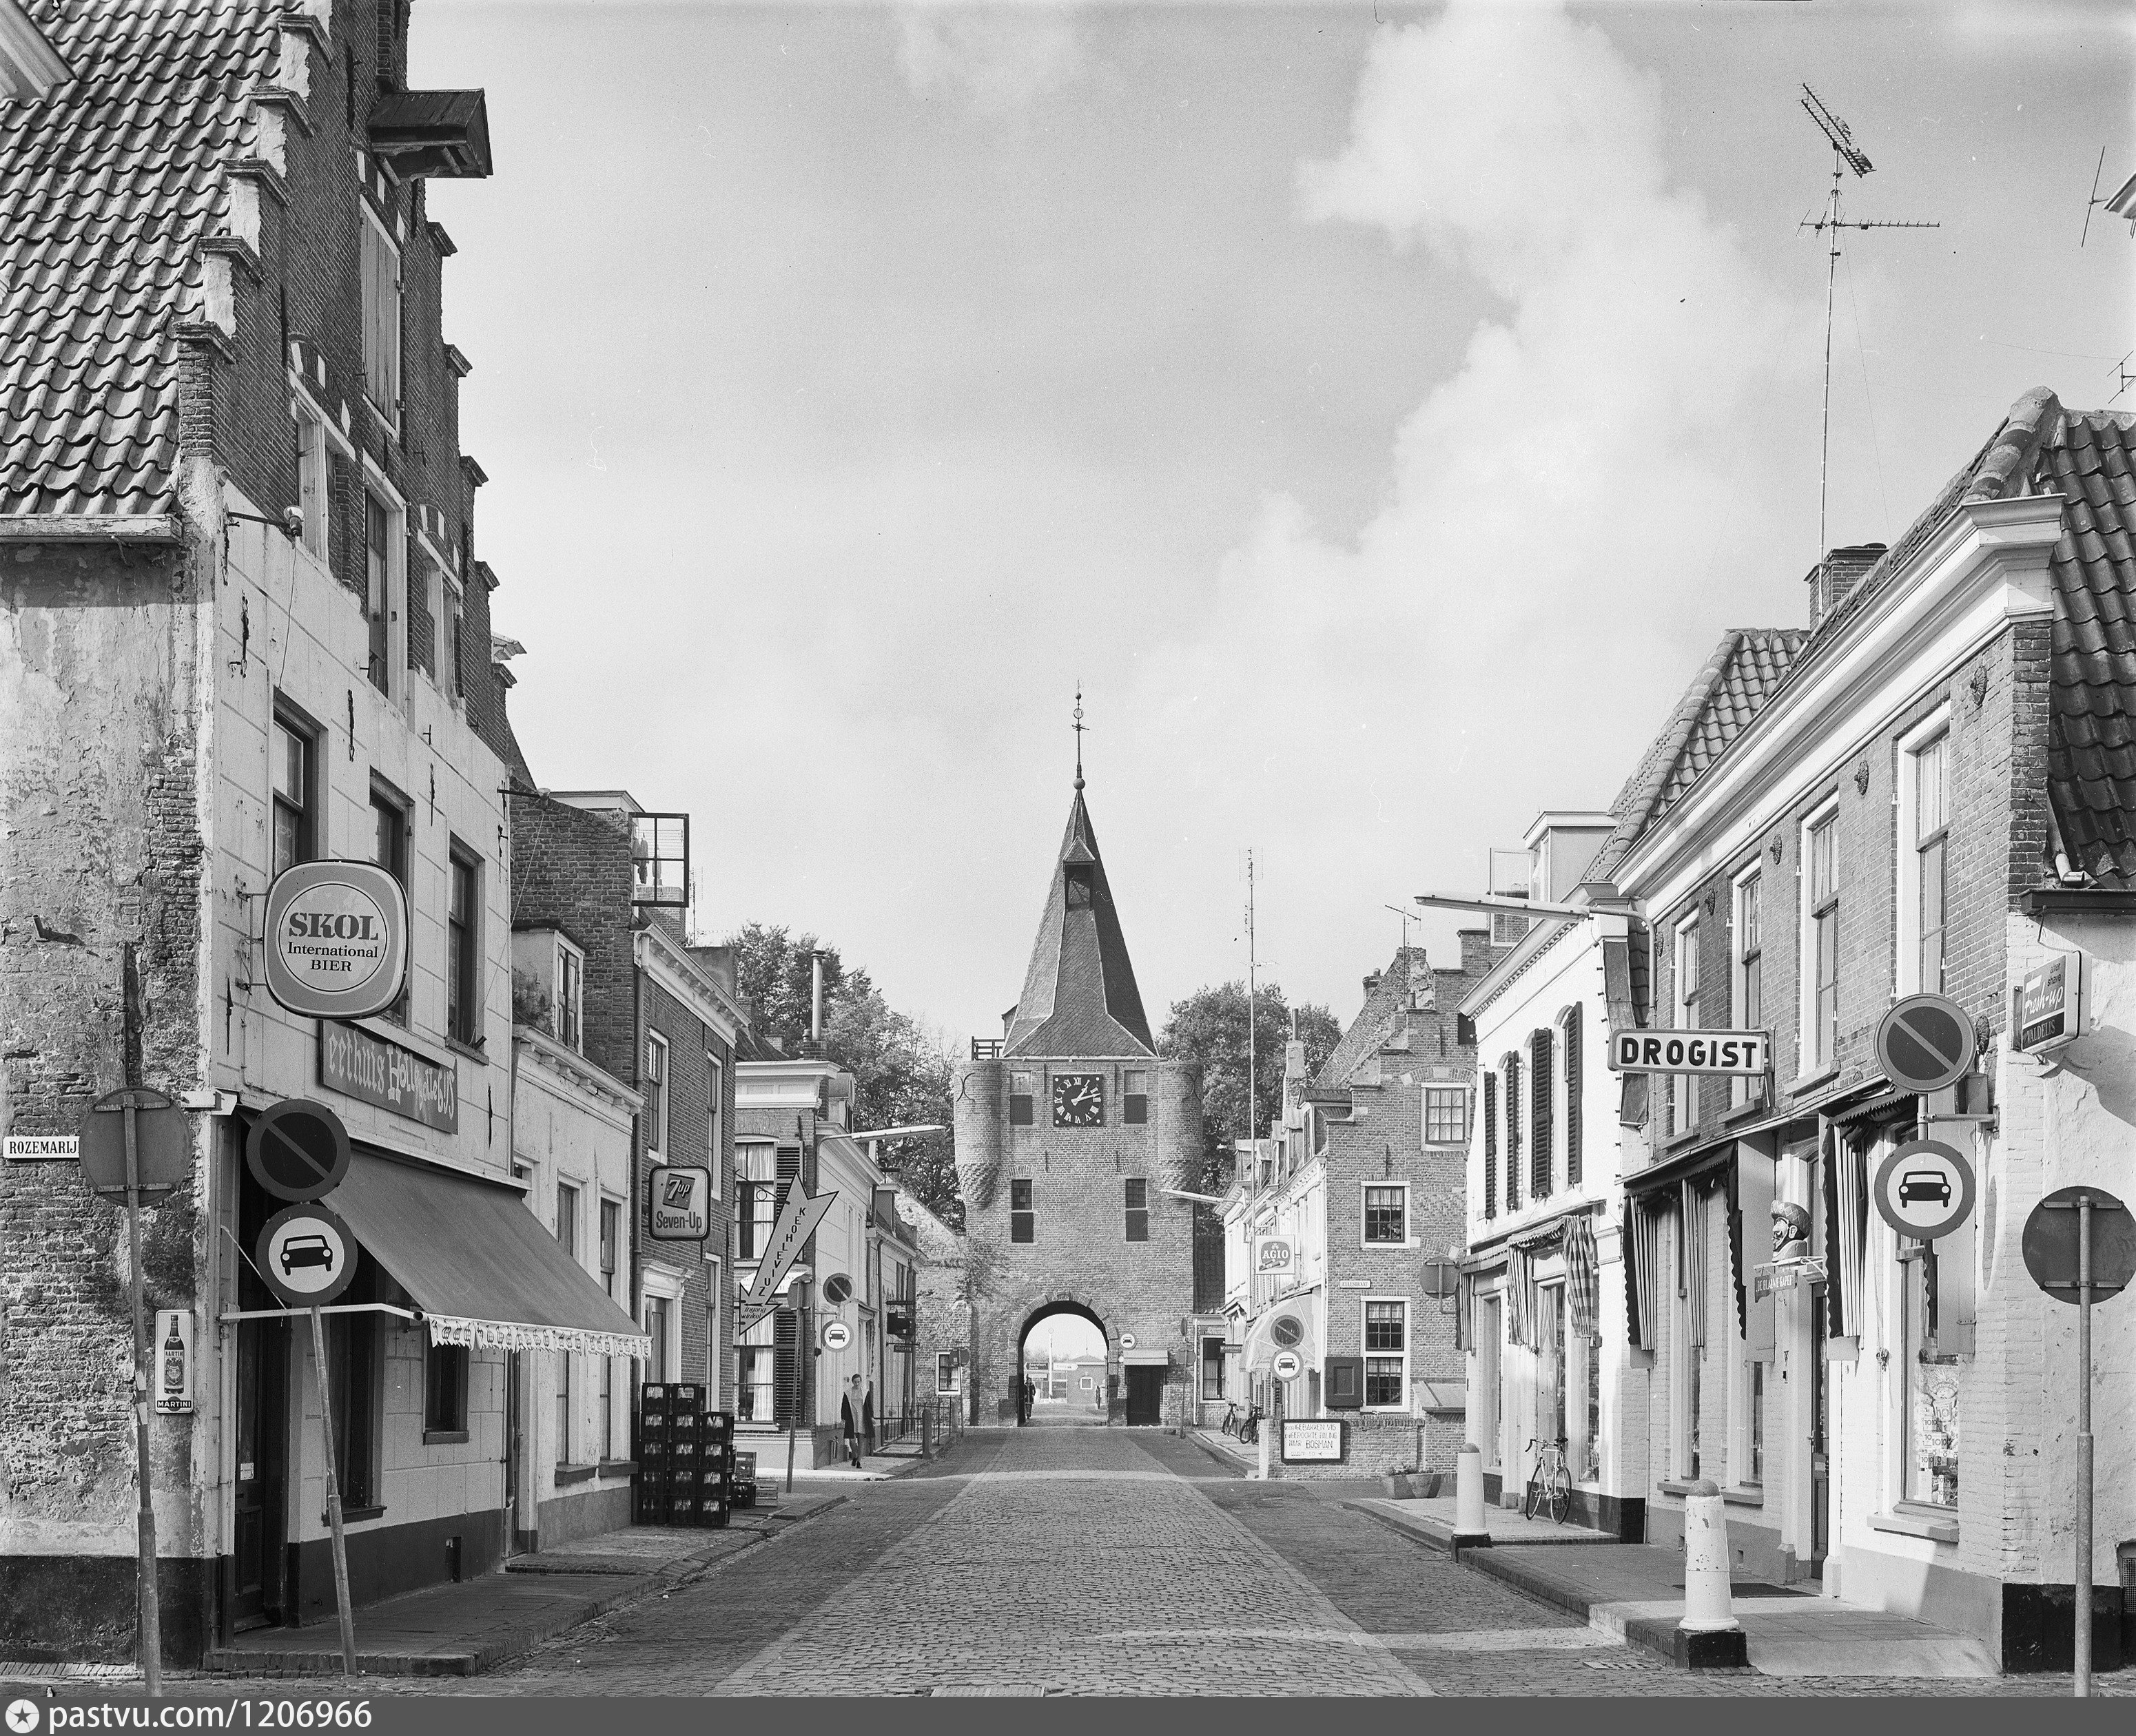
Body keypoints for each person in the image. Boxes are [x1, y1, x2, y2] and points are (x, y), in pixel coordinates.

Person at [840, 1374, 866, 1468]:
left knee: (861, 1440)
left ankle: (859, 1461)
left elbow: (868, 1406)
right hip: (852, 1417)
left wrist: (871, 1417)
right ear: (852, 1382)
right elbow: (844, 1406)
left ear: (861, 1382)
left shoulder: (865, 1392)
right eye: (855, 1382)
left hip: (862, 1418)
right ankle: (855, 1455)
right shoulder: (848, 1393)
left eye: (858, 1382)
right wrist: (843, 1417)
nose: (857, 1384)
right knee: (852, 1440)